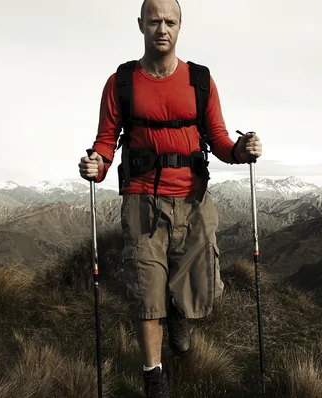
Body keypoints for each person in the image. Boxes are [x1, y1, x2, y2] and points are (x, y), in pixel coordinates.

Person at [78, 0, 262, 396]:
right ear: (141, 24)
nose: (162, 28)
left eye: (170, 21)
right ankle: (154, 378)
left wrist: (242, 151)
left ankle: (179, 311)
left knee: (201, 287)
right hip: (142, 201)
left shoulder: (200, 81)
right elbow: (106, 142)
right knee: (147, 291)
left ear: (180, 27)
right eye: (155, 20)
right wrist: (97, 164)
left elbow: (219, 140)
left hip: (194, 202)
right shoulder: (121, 83)